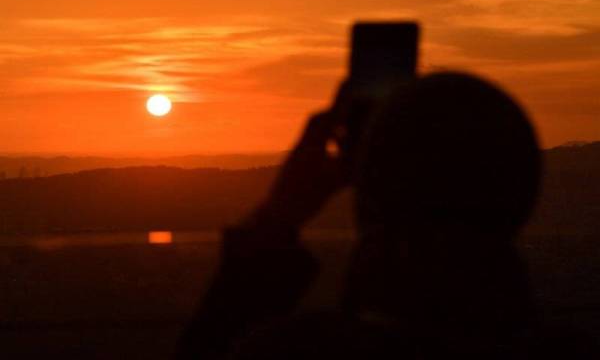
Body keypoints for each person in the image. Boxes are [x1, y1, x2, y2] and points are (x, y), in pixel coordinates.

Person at [176, 72, 588, 359]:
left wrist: (279, 213)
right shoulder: (567, 350)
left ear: (368, 188)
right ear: (522, 188)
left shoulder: (298, 351)